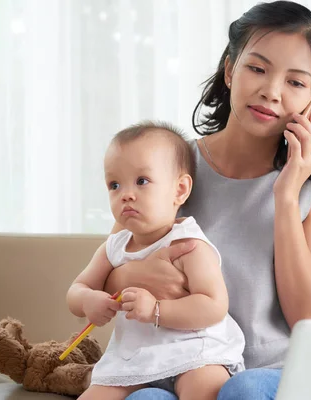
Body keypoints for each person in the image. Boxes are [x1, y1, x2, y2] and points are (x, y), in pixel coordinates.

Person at [105, 1, 311, 398]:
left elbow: (307, 318)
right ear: (230, 69)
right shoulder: (171, 169)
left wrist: (285, 197)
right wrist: (131, 277)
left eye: (296, 83)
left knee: (244, 391)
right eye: (257, 68)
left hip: (268, 374)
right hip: (172, 366)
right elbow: (112, 266)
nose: (271, 91)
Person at [66, 122, 245, 400]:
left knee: (204, 389)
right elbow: (76, 289)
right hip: (135, 359)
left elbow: (214, 305)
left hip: (195, 353)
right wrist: (88, 300)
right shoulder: (114, 247)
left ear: (180, 190)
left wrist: (156, 310)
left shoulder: (188, 245)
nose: (126, 193)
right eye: (114, 185)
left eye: (142, 181)